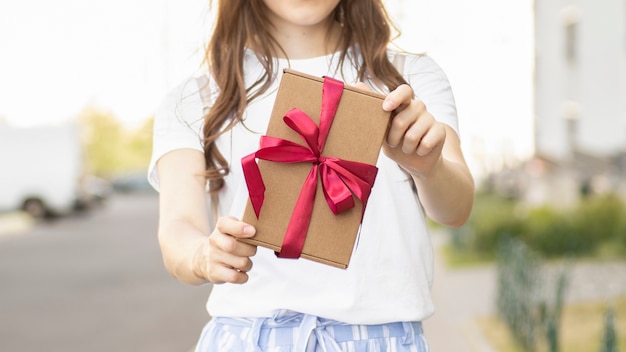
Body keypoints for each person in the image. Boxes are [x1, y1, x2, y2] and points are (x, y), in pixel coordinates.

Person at [148, 0, 475, 351]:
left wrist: (427, 165)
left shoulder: (409, 77)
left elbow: (455, 210)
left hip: (382, 339)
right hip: (249, 337)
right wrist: (202, 255)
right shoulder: (196, 98)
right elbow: (178, 227)